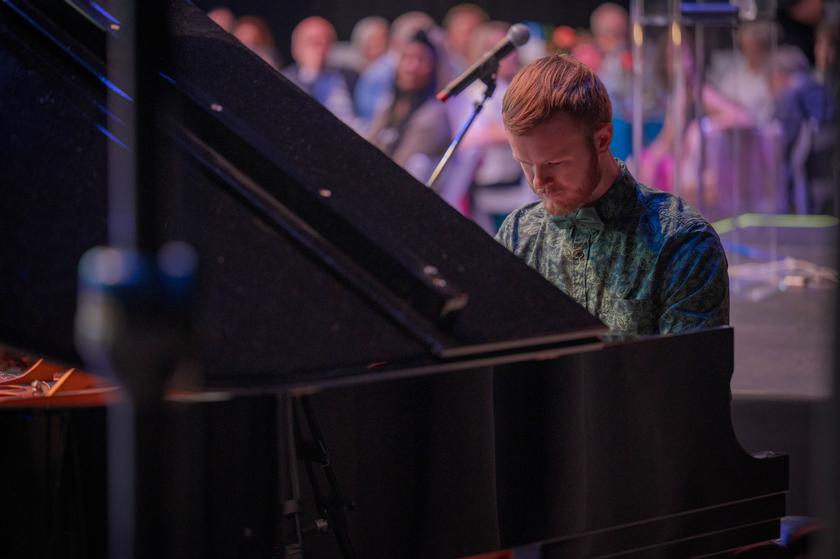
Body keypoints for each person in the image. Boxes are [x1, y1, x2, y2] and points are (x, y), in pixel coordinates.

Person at [495, 54, 729, 335]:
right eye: (524, 163)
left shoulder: (679, 241)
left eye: (554, 163)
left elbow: (690, 374)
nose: (538, 181)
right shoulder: (519, 234)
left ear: (603, 139)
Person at [367, 30, 451, 182]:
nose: (412, 67)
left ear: (433, 69)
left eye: (421, 60)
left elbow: (400, 170)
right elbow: (367, 147)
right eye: (407, 58)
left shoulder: (433, 116)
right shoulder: (389, 103)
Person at [281, 16, 356, 126]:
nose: (320, 48)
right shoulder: (284, 80)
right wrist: (312, 73)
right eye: (313, 42)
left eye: (327, 41)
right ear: (296, 49)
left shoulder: (350, 76)